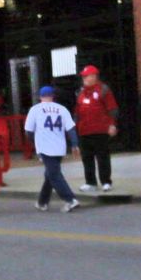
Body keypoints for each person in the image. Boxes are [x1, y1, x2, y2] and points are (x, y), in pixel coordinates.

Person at [24, 84, 80, 212]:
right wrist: (75, 144)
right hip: (59, 146)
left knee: (54, 175)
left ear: (40, 97)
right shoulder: (62, 109)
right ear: (53, 96)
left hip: (44, 147)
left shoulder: (35, 109)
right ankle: (42, 202)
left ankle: (70, 199)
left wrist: (35, 143)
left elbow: (28, 131)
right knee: (50, 173)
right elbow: (71, 128)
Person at [74, 65, 118, 193]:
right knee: (87, 158)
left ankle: (106, 181)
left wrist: (112, 124)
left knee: (102, 156)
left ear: (94, 76)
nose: (84, 78)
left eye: (86, 76)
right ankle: (90, 182)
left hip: (100, 130)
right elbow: (77, 111)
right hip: (84, 130)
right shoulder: (80, 92)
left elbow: (112, 109)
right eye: (83, 76)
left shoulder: (103, 90)